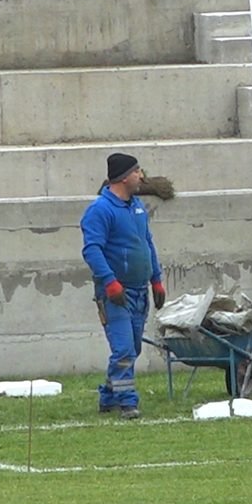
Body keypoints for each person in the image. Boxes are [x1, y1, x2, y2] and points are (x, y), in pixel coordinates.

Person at [80, 153, 167, 419]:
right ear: (124, 177)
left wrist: (156, 279)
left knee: (134, 348)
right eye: (137, 172)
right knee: (124, 349)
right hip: (115, 294)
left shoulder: (138, 207)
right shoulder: (100, 211)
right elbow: (92, 250)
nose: (142, 176)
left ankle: (108, 395)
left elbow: (147, 243)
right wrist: (110, 282)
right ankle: (128, 401)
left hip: (140, 290)